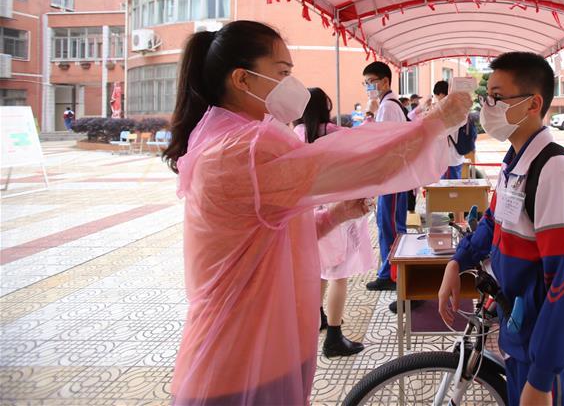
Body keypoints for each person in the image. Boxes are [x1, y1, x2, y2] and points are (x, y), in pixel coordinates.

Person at [161, 21, 469, 405]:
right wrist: (436, 122)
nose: (293, 84)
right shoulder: (243, 148)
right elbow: (367, 163)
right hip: (242, 347)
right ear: (242, 79)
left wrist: (335, 215)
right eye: (282, 73)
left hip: (264, 336)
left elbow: (271, 235)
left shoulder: (233, 139)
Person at [438, 52, 564, 406]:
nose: (487, 107)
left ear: (533, 104)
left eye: (496, 97)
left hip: (547, 351)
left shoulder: (555, 172)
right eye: (486, 97)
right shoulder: (516, 162)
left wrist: (542, 379)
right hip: (520, 332)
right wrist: (457, 261)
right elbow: (493, 223)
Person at [293, 88, 376, 357]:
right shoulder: (334, 132)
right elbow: (365, 146)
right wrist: (371, 116)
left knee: (319, 271)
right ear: (324, 107)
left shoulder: (295, 136)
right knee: (339, 276)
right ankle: (334, 336)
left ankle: (316, 319)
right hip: (337, 212)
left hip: (309, 214)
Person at [362, 61, 415, 291]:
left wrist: (369, 114)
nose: (368, 87)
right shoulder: (388, 104)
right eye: (365, 83)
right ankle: (389, 272)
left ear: (385, 81)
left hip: (392, 178)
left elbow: (383, 143)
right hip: (393, 177)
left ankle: (394, 276)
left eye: (371, 82)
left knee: (391, 227)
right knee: (388, 225)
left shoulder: (388, 107)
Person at [431, 80, 475, 179]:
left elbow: (439, 133)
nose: (437, 100)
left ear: (441, 94)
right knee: (452, 184)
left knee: (448, 186)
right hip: (455, 156)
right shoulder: (458, 108)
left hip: (449, 159)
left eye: (437, 97)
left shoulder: (447, 110)